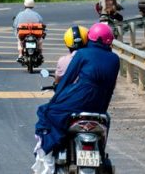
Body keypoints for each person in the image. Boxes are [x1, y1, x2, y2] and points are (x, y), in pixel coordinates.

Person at [32, 22, 120, 173]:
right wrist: (102, 108)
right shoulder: (115, 59)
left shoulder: (82, 54)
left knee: (46, 112)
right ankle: (100, 152)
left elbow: (67, 79)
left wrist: (56, 98)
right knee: (106, 120)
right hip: (100, 104)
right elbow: (110, 88)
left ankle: (47, 156)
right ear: (109, 41)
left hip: (79, 98)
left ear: (90, 38)